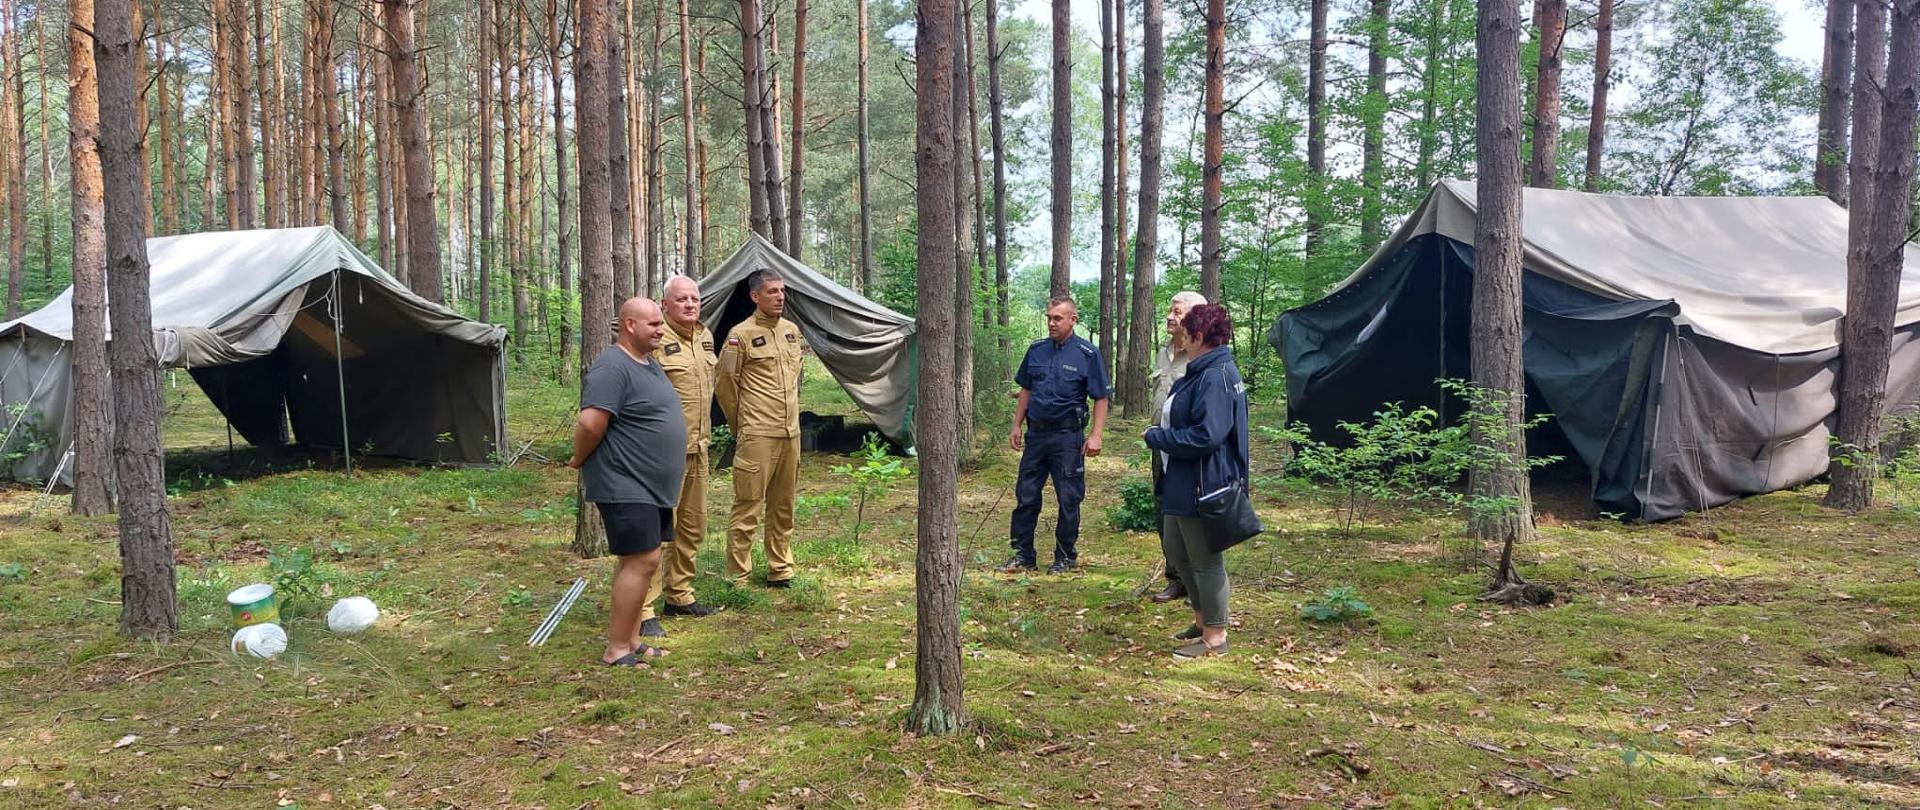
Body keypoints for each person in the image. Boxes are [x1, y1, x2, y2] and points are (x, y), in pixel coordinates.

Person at [568, 297, 687, 666]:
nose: (660, 329)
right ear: (630, 325)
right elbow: (590, 423)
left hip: (649, 484)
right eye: (653, 324)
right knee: (642, 558)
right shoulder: (612, 366)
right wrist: (577, 458)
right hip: (625, 479)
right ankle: (616, 647)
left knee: (641, 559)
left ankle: (631, 640)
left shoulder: (648, 364)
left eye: (660, 323)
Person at [1143, 303, 1248, 659]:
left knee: (1205, 560)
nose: (1180, 339)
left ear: (1200, 337)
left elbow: (1208, 435)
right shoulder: (1200, 371)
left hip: (1205, 482)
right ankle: (1202, 620)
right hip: (1183, 479)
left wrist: (1158, 437)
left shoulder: (1216, 376)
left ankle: (1215, 637)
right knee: (1177, 550)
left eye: (1186, 334)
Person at [633, 276, 724, 638]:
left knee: (691, 526)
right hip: (660, 454)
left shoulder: (705, 337)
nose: (689, 304)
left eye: (694, 298)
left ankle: (680, 595)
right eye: (681, 299)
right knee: (654, 532)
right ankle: (643, 608)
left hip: (698, 449)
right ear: (664, 304)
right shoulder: (654, 340)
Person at [1002, 296, 1111, 574]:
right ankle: (1023, 555)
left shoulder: (1087, 354)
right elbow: (1025, 389)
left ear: (1073, 320)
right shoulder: (1036, 350)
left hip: (1067, 438)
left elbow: (1100, 397)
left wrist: (1096, 435)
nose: (1051, 322)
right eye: (1049, 317)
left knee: (1069, 498)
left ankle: (1065, 556)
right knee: (1026, 496)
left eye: (1057, 318)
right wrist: (1016, 425)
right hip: (1036, 436)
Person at [716, 269, 803, 588]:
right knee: (748, 504)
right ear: (755, 296)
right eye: (772, 292)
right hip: (757, 434)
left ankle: (780, 567)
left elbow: (794, 379)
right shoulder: (741, 334)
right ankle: (738, 574)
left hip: (790, 434)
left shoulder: (792, 331)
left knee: (784, 506)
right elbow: (726, 383)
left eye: (781, 291)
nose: (779, 297)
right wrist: (743, 425)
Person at [1149, 291, 1208, 605]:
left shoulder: (1202, 356)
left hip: (1188, 447)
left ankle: (1201, 582)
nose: (1170, 317)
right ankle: (1176, 579)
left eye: (1177, 312)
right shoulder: (1164, 351)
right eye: (1169, 311)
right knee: (1165, 511)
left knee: (1193, 514)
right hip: (1160, 445)